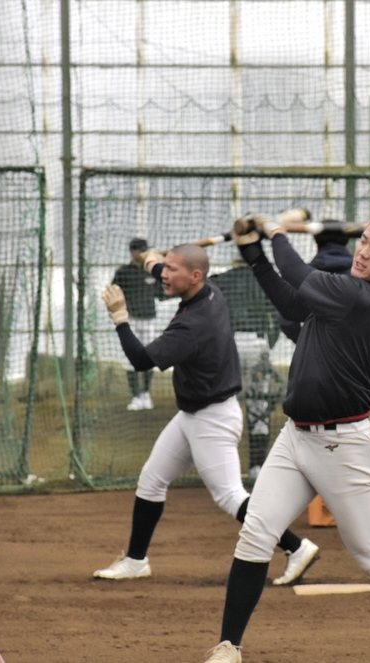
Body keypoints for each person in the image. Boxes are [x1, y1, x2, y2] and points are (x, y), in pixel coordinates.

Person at [204, 214, 370, 663]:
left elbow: (295, 272)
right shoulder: (342, 289)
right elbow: (291, 303)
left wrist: (275, 229)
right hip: (296, 438)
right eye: (364, 242)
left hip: (343, 445)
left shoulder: (366, 299)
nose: (365, 253)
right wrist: (251, 250)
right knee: (255, 534)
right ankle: (229, 647)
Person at [93, 244, 319, 587]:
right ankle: (136, 560)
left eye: (172, 270)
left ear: (195, 277)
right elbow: (166, 272)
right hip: (193, 414)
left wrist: (120, 318)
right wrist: (151, 260)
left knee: (230, 496)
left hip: (212, 418)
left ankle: (296, 546)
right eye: (164, 268)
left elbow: (141, 359)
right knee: (151, 481)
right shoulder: (209, 289)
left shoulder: (192, 325)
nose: (163, 276)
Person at [210, 261, 285, 479]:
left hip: (229, 346)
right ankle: (257, 466)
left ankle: (222, 469)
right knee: (258, 406)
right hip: (256, 345)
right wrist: (266, 346)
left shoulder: (220, 279)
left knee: (222, 404)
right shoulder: (266, 279)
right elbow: (278, 319)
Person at [110, 238, 165, 411]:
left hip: (149, 319)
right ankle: (135, 396)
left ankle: (146, 394)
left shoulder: (152, 271)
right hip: (130, 320)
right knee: (130, 359)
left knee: (149, 357)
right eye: (138, 251)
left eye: (144, 250)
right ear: (132, 252)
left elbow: (162, 294)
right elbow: (114, 292)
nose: (141, 254)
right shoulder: (123, 272)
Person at [277, 229, 353, 343]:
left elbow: (287, 319)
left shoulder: (302, 277)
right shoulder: (362, 278)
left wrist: (307, 344)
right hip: (353, 352)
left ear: (317, 242)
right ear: (346, 241)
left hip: (315, 353)